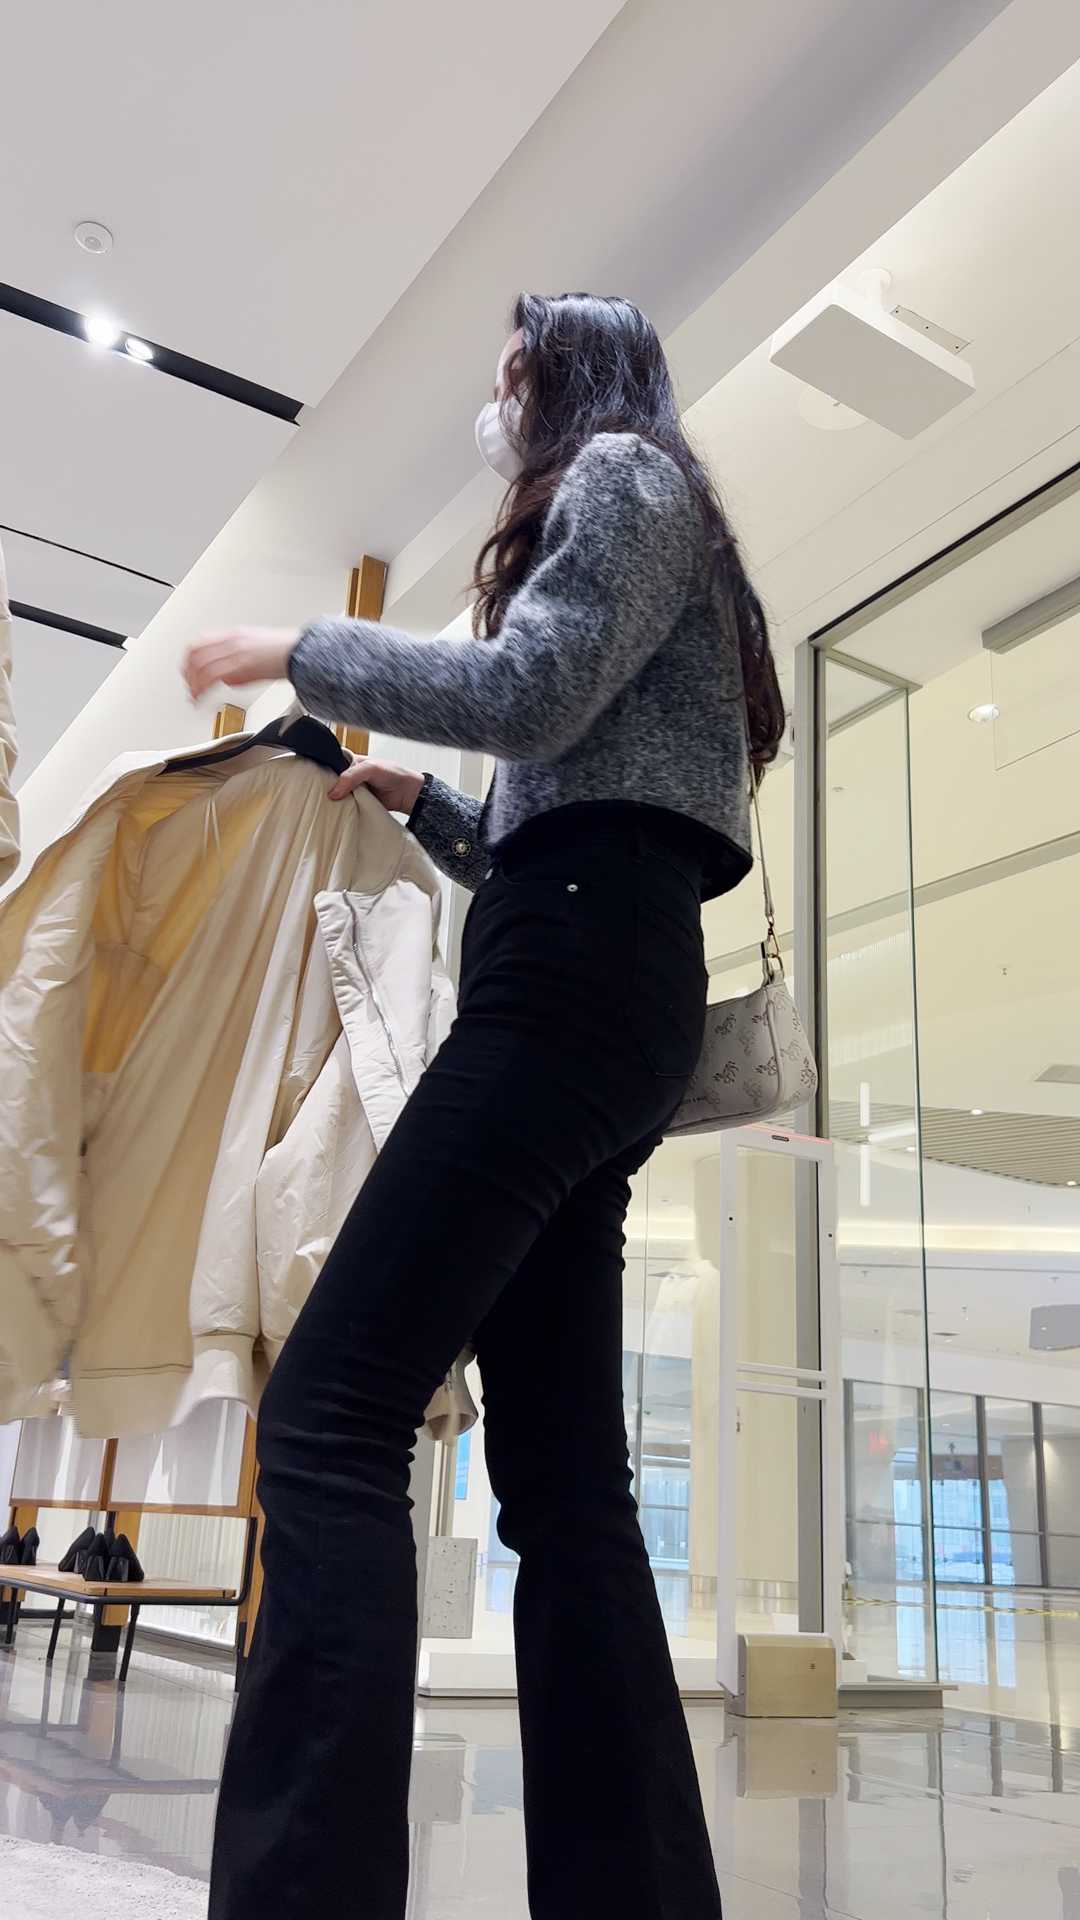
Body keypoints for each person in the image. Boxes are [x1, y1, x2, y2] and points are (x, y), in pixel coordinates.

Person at [184, 291, 784, 1920]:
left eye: (515, 371)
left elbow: (530, 692)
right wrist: (437, 809)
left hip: (568, 983)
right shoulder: (656, 521)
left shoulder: (625, 476)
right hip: (603, 969)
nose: (500, 399)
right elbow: (583, 787)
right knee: (567, 1482)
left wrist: (298, 647)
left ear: (574, 373)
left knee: (329, 1415)